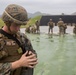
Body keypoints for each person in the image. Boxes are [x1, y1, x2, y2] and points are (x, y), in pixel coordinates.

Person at [0, 4, 38, 75]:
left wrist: (32, 57)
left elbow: (33, 52)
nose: (18, 29)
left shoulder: (22, 37)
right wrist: (18, 64)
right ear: (7, 22)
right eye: (16, 25)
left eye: (20, 25)